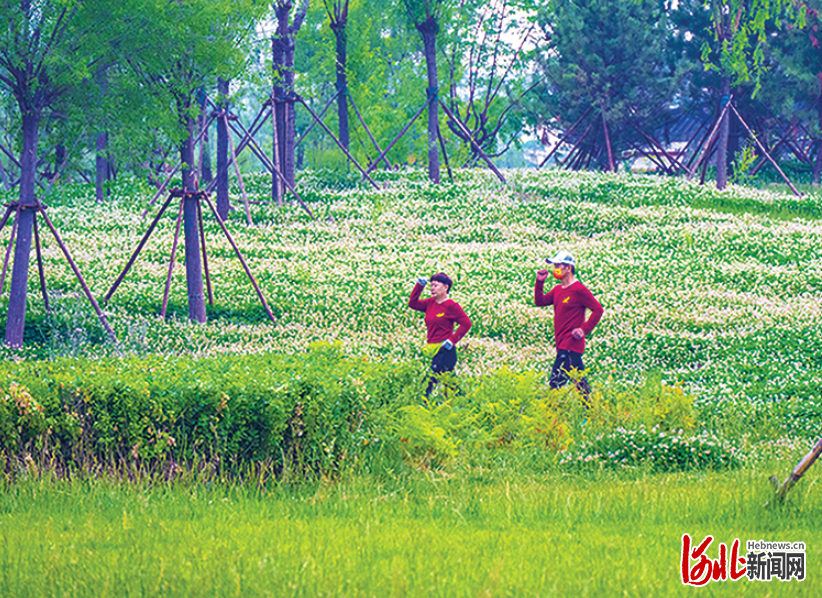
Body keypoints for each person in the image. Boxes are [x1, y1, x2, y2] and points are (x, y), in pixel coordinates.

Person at [535, 250, 604, 398]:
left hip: (570, 343)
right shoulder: (558, 290)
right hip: (562, 343)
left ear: (568, 268)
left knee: (556, 382)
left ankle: (551, 414)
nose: (555, 269)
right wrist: (540, 281)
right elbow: (539, 302)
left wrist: (584, 330)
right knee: (580, 383)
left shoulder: (579, 290)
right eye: (554, 266)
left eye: (558, 265)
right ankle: (589, 413)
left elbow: (598, 309)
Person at [408, 272, 472, 398]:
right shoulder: (430, 303)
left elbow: (466, 324)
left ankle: (425, 405)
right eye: (431, 286)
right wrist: (419, 286)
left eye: (436, 286)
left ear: (446, 287)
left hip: (444, 349)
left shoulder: (452, 306)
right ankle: (462, 402)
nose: (432, 289)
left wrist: (452, 341)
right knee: (449, 382)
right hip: (430, 347)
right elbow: (413, 304)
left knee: (430, 381)